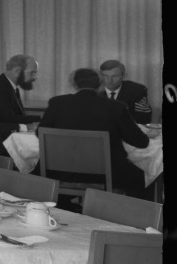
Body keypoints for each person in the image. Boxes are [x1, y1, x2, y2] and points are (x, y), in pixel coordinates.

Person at [39, 67, 152, 198]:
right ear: (100, 84)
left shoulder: (57, 103)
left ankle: (66, 205)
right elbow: (141, 142)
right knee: (143, 175)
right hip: (106, 176)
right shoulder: (116, 107)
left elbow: (39, 133)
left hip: (60, 173)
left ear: (74, 84)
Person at [0, 54, 38, 132]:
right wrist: (41, 119)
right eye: (32, 73)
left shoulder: (8, 86)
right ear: (18, 71)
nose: (35, 77)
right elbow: (7, 118)